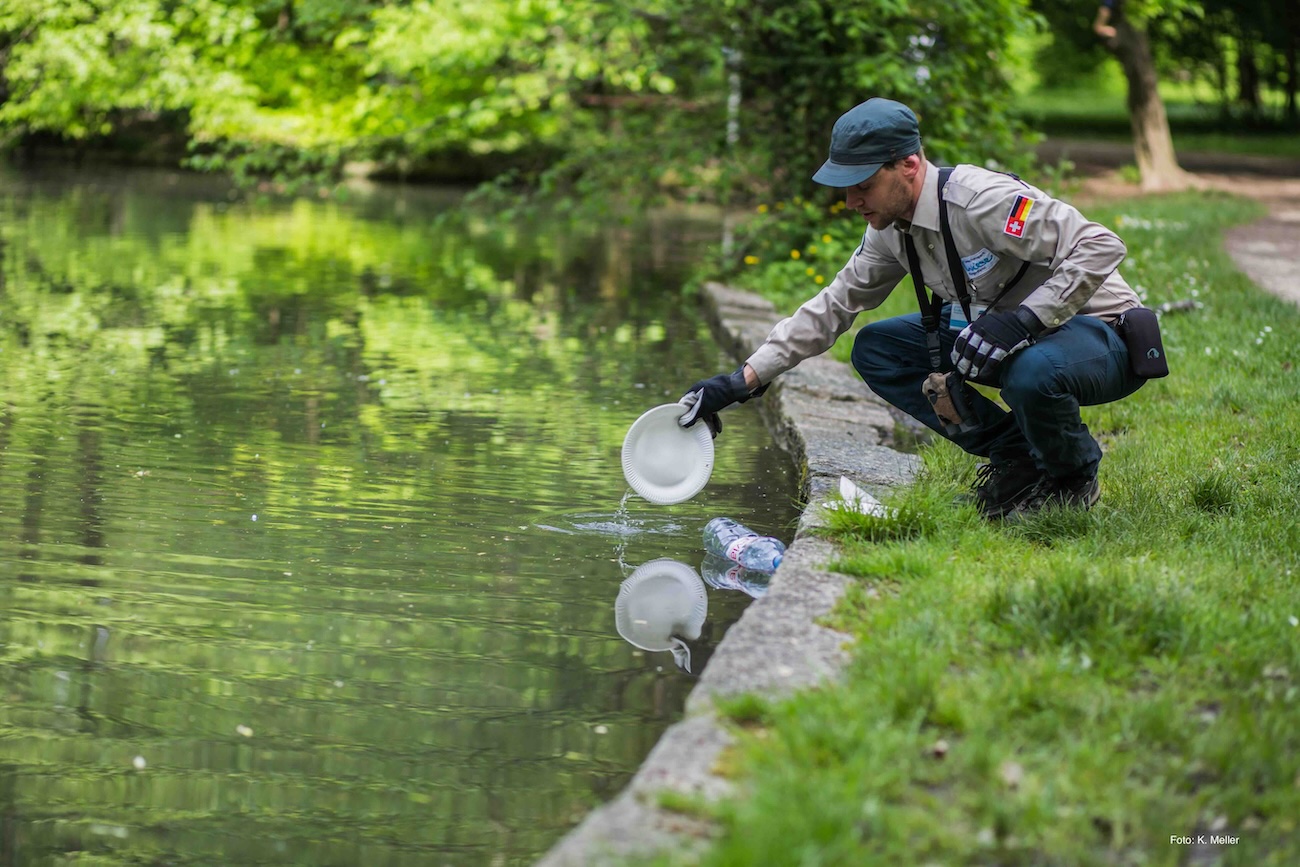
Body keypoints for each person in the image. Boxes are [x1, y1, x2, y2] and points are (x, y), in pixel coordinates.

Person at [679, 97, 1152, 520]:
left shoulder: (981, 200)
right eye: (844, 187)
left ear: (908, 165)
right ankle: (1021, 460)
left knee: (1030, 372)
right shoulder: (887, 229)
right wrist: (741, 382)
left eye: (861, 184)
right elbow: (834, 305)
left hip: (1095, 333)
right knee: (878, 349)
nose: (849, 201)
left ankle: (1074, 477)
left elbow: (1099, 243)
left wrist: (1024, 321)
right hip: (1008, 336)